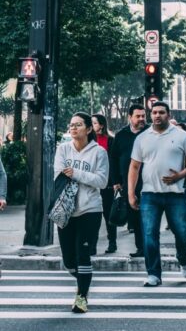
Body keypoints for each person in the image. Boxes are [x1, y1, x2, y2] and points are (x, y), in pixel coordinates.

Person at [128, 101, 186, 286]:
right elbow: (134, 167)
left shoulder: (181, 136)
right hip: (149, 195)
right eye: (154, 112)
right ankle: (153, 274)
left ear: (168, 115)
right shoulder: (142, 138)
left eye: (161, 112)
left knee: (183, 232)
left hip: (175, 194)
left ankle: (184, 259)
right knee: (149, 234)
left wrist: (182, 174)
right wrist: (131, 193)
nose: (157, 115)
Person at [54, 111, 109, 313]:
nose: (73, 128)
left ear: (88, 129)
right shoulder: (63, 149)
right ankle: (84, 280)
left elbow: (102, 181)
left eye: (78, 124)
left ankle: (81, 297)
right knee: (69, 260)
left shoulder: (99, 152)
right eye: (71, 124)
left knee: (83, 253)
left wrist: (76, 173)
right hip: (65, 209)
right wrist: (81, 176)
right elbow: (59, 174)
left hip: (90, 209)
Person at [111, 104, 148, 257]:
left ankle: (149, 248)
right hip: (129, 183)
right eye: (137, 116)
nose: (141, 119)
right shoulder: (121, 135)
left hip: (149, 181)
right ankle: (141, 248)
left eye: (143, 116)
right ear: (130, 117)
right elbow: (113, 159)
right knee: (134, 217)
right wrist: (116, 181)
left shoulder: (150, 133)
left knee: (148, 217)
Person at [91, 113, 116, 254]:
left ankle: (112, 242)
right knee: (93, 216)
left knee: (108, 215)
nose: (92, 125)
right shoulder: (89, 141)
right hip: (91, 183)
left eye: (94, 123)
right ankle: (92, 245)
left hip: (107, 184)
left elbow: (113, 163)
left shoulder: (110, 140)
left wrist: (115, 182)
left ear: (101, 125)